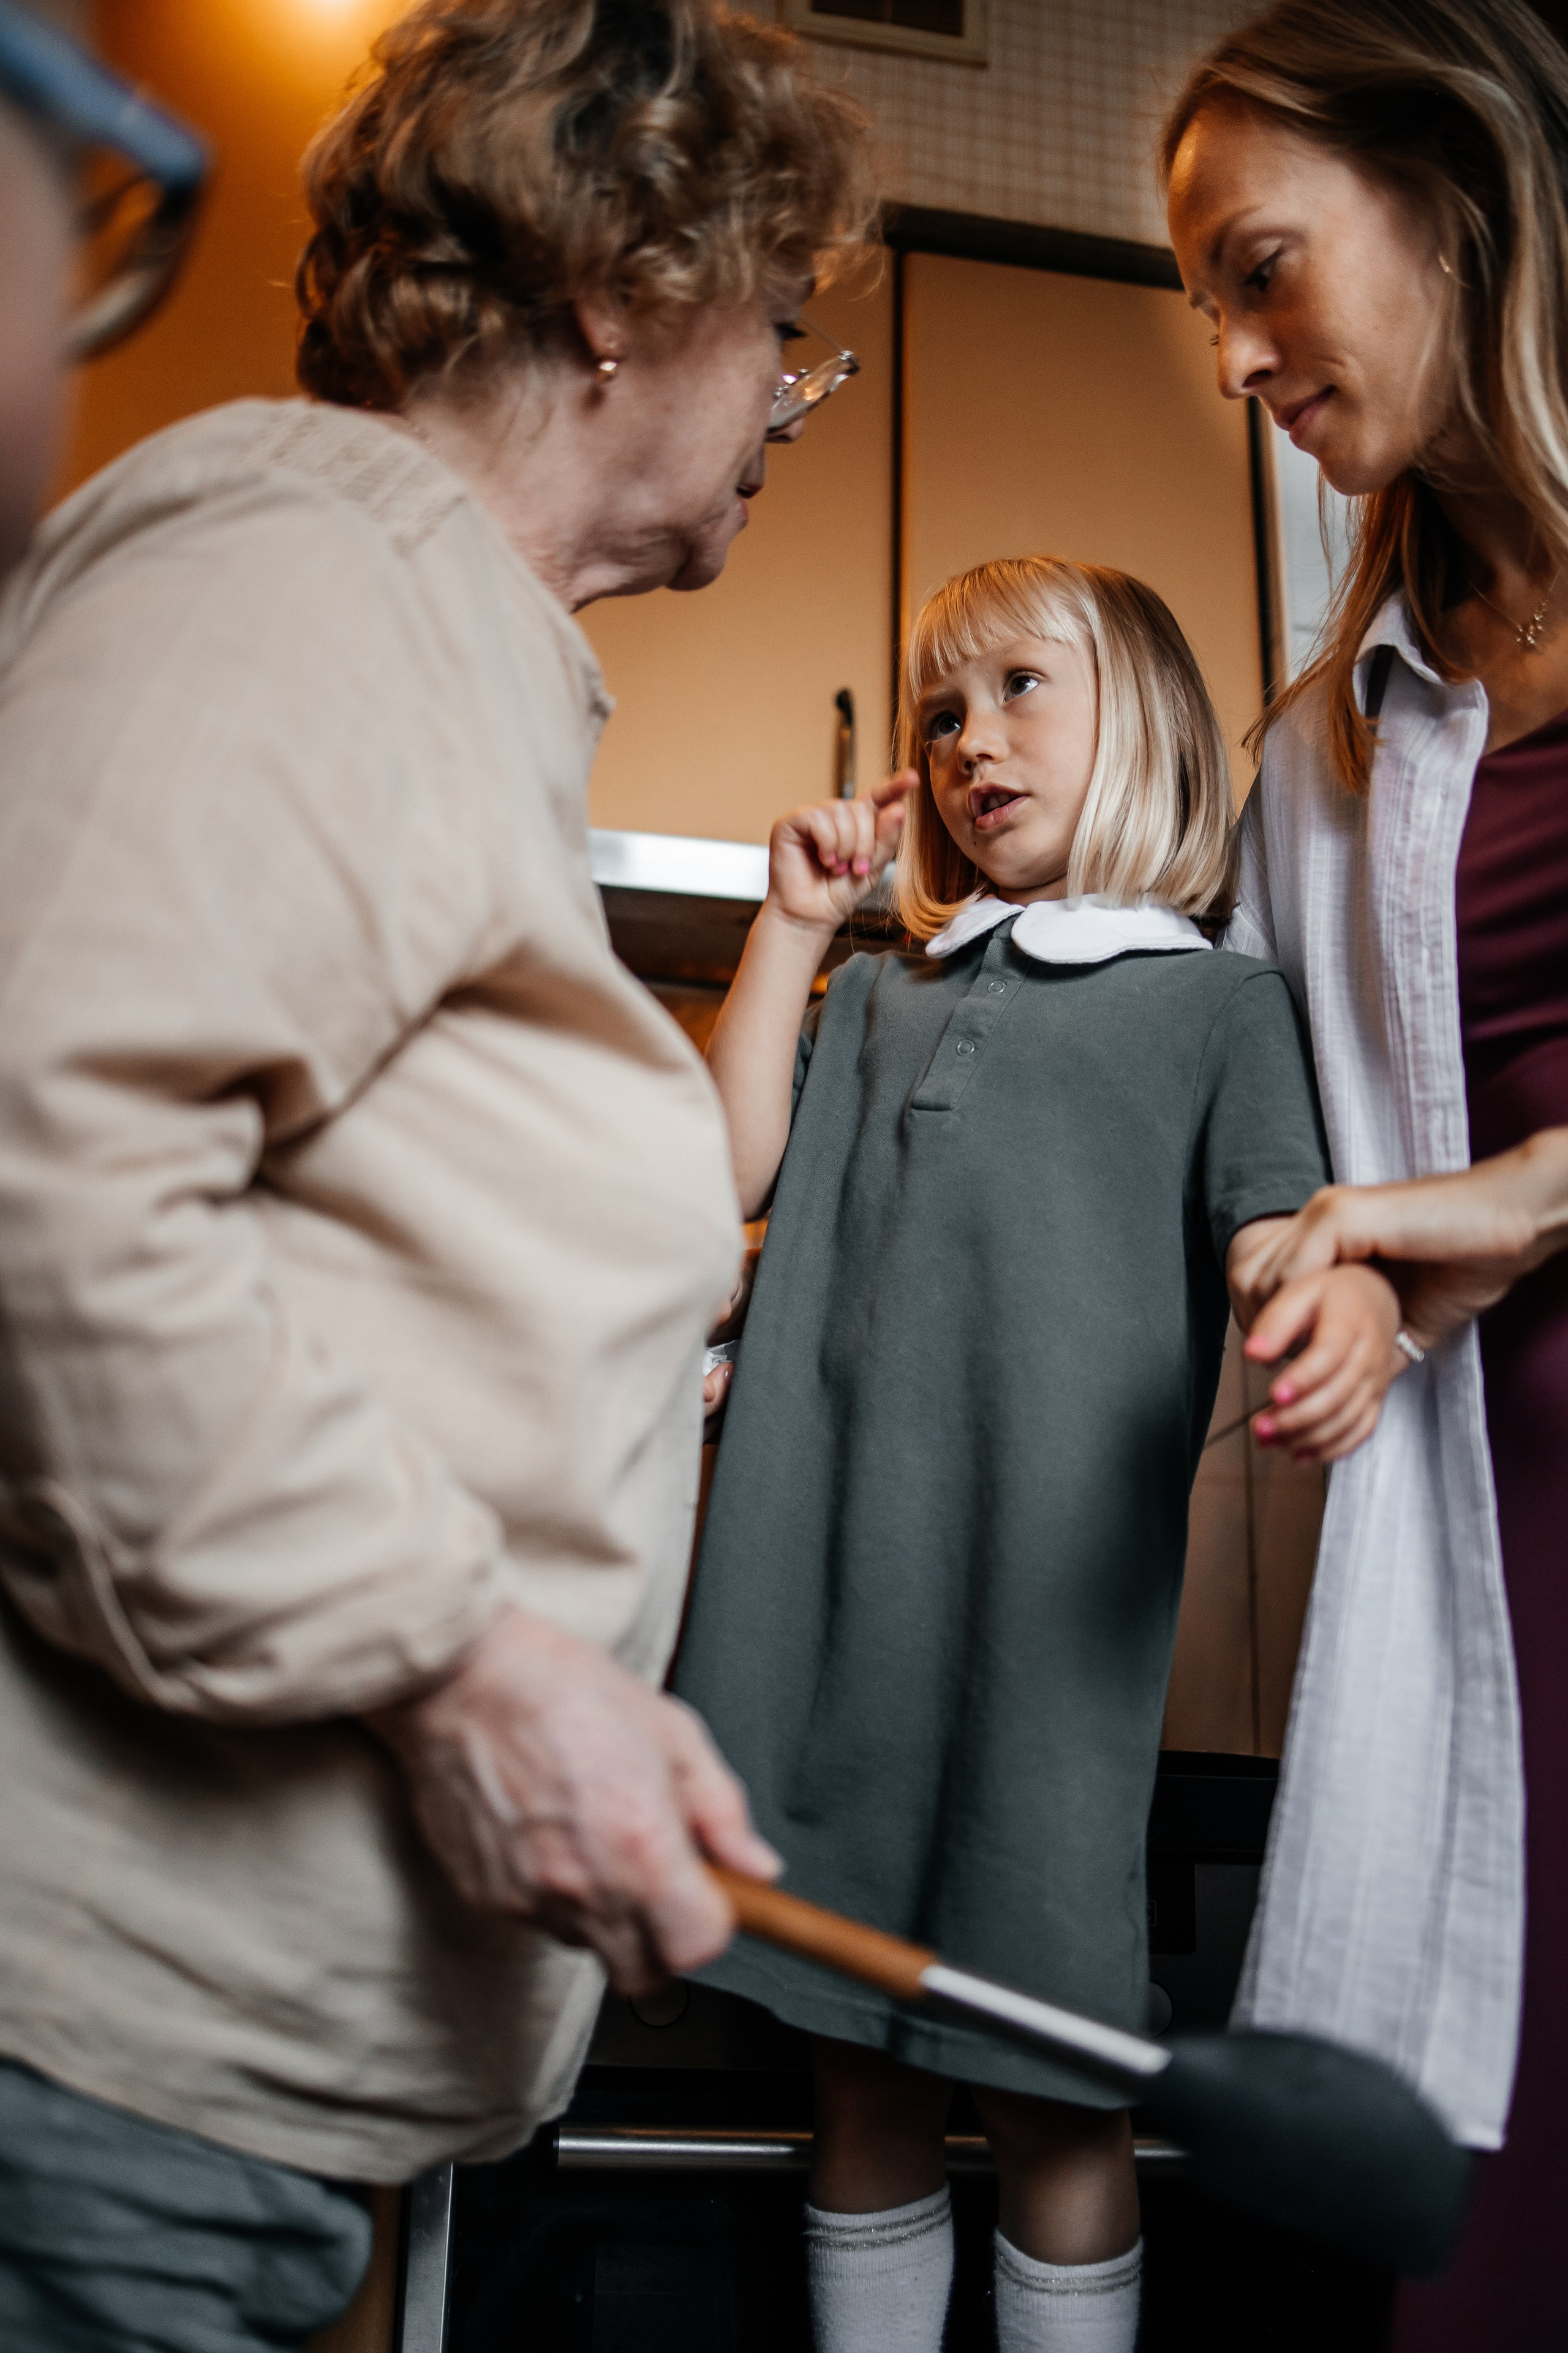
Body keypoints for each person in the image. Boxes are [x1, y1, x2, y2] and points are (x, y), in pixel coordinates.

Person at [0, 3, 874, 2347]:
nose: (797, 400)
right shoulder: (306, 575)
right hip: (80, 2079)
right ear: (624, 287)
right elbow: (38, 1175)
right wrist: (466, 1659)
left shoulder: (455, 653)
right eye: (786, 331)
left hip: (218, 2108)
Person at [673, 554, 1409, 2353]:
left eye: (1017, 690)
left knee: (1055, 2089)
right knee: (854, 2071)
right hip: (810, 1617)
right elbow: (716, 1185)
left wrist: (1320, 1293)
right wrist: (787, 931)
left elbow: (1276, 1223)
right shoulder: (884, 997)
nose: (964, 741)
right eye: (939, 711)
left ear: (1145, 723)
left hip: (1041, 1660)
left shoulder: (1217, 1008)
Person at [1164, 2, 1568, 2342]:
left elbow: (1479, 1201)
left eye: (1260, 266)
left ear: (1454, 195)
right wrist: (1326, 1282)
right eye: (1206, 298)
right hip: (1491, 1615)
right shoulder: (1321, 760)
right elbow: (1296, 1171)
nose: (1232, 349)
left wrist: (1520, 1197)